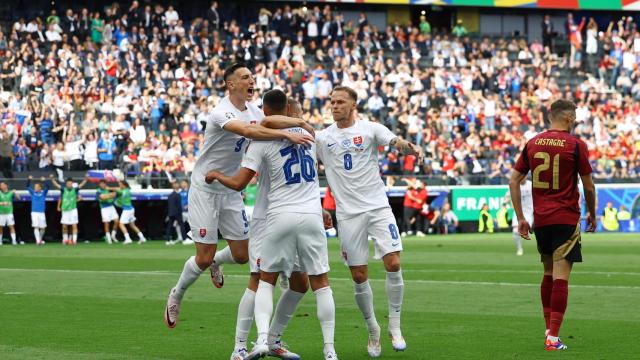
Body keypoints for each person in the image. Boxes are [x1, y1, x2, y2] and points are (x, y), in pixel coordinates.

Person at [162, 63, 314, 360]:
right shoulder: (221, 112)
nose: (251, 80)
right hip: (206, 188)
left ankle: (219, 262)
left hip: (231, 191)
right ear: (230, 85)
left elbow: (269, 119)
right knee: (202, 256)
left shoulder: (256, 111)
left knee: (242, 256)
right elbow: (248, 130)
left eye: (251, 77)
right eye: (244, 77)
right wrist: (289, 134)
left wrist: (302, 124)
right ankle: (177, 293)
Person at [205, 89, 338, 360]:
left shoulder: (281, 137)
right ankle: (240, 347)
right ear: (287, 115)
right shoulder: (278, 135)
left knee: (299, 283)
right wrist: (297, 125)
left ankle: (272, 339)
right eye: (296, 116)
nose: (299, 119)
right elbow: (268, 125)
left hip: (289, 213)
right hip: (268, 217)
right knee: (259, 279)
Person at [312, 86, 423, 356]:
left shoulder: (371, 129)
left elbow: (395, 142)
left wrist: (409, 148)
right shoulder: (322, 138)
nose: (335, 106)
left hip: (378, 207)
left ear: (353, 105)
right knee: (359, 275)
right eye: (332, 102)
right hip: (348, 215)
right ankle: (373, 329)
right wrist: (319, 207)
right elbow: (309, 173)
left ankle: (394, 326)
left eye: (340, 102)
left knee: (393, 262)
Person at [510, 99, 596, 351]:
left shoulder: (532, 143)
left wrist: (521, 218)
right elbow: (588, 186)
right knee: (561, 278)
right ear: (568, 118)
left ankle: (549, 330)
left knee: (547, 274)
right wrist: (591, 213)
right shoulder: (576, 145)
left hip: (542, 220)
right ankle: (553, 338)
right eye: (576, 117)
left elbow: (514, 181)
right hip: (566, 218)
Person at [50, 174, 89, 245]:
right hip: (65, 210)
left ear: (72, 184)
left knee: (74, 225)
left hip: (73, 210)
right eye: (68, 183)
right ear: (66, 184)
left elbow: (81, 185)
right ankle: (65, 240)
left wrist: (86, 179)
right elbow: (56, 185)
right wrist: (52, 179)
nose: (69, 185)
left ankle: (74, 241)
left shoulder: (75, 189)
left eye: (70, 183)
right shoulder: (63, 189)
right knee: (64, 226)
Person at [504, 177, 533, 256]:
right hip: (518, 211)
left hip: (529, 212)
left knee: (524, 229)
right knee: (515, 231)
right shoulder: (515, 185)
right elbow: (507, 196)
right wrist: (505, 202)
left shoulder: (531, 185)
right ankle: (519, 249)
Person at [114, 180, 146, 244]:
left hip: (127, 210)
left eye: (120, 184)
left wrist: (109, 188)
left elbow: (118, 192)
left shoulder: (125, 191)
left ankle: (128, 239)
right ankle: (142, 238)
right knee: (132, 225)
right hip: (130, 209)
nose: (119, 185)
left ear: (124, 185)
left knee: (121, 224)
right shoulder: (125, 190)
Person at [27, 176, 49, 245]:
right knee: (36, 226)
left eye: (36, 187)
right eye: (35, 187)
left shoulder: (43, 193)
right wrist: (29, 180)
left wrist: (44, 181)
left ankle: (39, 239)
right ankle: (38, 241)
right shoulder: (33, 193)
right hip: (34, 212)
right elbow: (27, 186)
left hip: (41, 213)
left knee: (43, 228)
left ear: (40, 188)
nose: (35, 188)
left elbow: (48, 187)